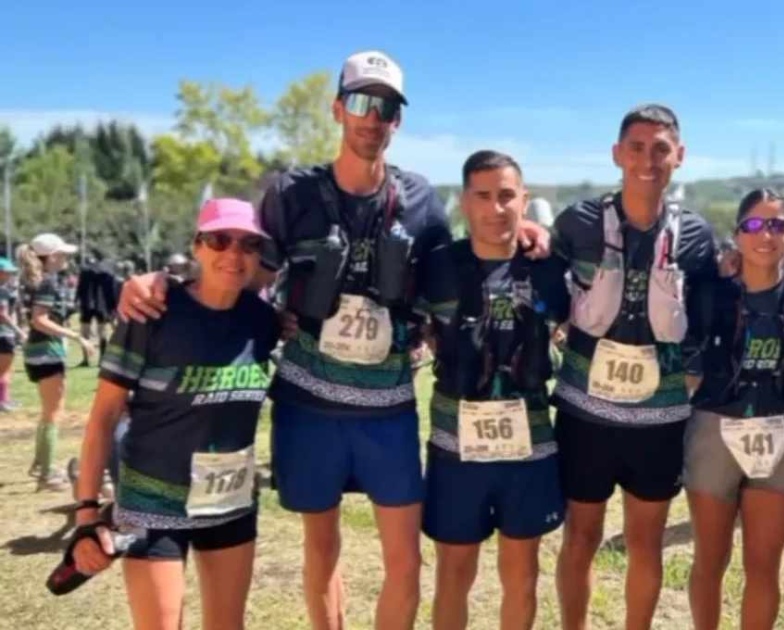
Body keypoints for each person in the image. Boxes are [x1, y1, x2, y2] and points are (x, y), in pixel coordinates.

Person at [117, 51, 548, 630]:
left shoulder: (420, 201)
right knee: (321, 551)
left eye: (388, 107)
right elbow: (239, 266)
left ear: (398, 120)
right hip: (308, 407)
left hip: (388, 410)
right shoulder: (290, 193)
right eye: (363, 103)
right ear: (338, 109)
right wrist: (161, 281)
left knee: (406, 563)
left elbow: (463, 259)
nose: (374, 118)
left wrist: (526, 228)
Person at [71, 198, 278, 630]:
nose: (233, 254)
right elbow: (104, 417)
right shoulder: (152, 312)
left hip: (231, 501)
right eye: (219, 240)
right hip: (151, 501)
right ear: (197, 247)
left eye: (248, 244)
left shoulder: (264, 322)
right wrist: (87, 514)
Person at [550, 104, 717, 630]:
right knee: (580, 536)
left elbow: (708, 317)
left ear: (680, 156)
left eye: (661, 148)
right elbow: (542, 287)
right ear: (617, 154)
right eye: (638, 147)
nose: (649, 159)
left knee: (646, 543)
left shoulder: (695, 235)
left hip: (658, 420)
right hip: (585, 412)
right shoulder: (576, 223)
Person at [419, 151, 568, 629]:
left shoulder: (549, 269)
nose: (495, 208)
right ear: (465, 202)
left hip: (530, 445)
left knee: (523, 575)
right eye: (482, 196)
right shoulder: (437, 267)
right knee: (453, 575)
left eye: (507, 196)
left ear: (523, 200)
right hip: (455, 447)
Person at [682, 189, 784, 629]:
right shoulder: (709, 293)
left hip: (778, 429)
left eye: (778, 225)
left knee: (763, 565)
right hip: (713, 428)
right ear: (736, 235)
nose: (766, 235)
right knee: (710, 559)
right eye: (754, 225)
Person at [16, 234, 96, 490]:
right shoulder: (47, 283)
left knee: (47, 412)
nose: (66, 259)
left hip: (34, 350)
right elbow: (40, 319)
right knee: (53, 413)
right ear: (50, 257)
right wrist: (76, 336)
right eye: (62, 254)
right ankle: (47, 474)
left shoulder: (31, 280)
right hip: (47, 351)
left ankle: (41, 464)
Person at [0, 256, 25, 412]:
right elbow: (2, 315)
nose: (10, 275)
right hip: (3, 334)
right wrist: (19, 331)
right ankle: (2, 401)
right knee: (4, 369)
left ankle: (5, 399)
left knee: (6, 369)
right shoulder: (2, 290)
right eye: (7, 272)